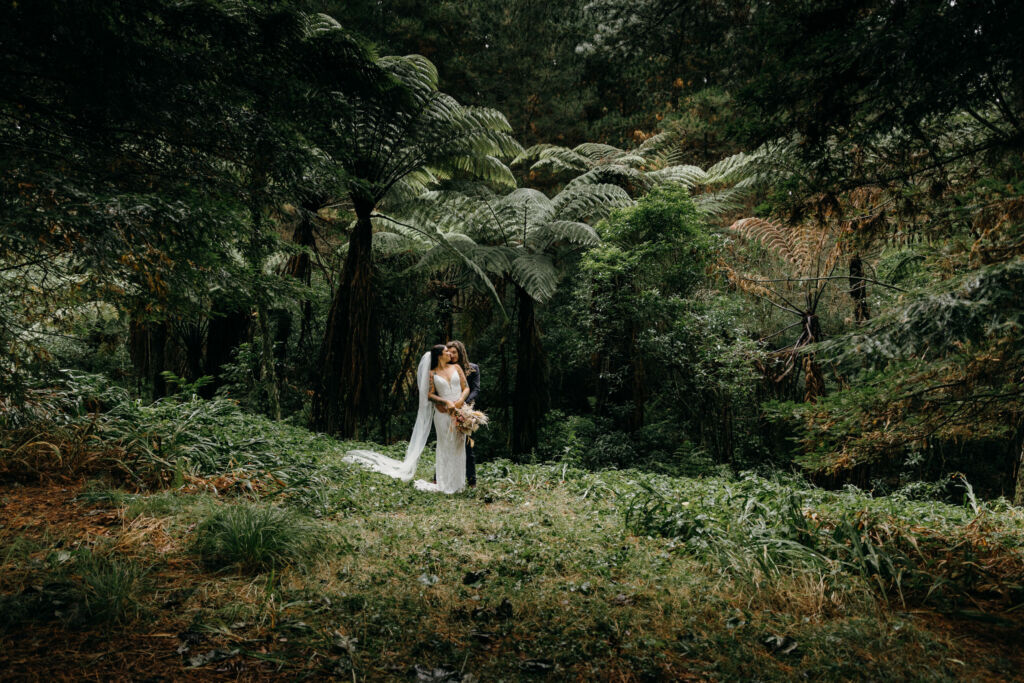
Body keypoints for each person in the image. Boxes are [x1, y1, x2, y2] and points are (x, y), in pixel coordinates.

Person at [344, 344, 469, 494]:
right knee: (445, 446)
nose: (450, 353)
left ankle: (459, 484)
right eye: (446, 351)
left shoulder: (456, 368)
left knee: (459, 446)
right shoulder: (432, 373)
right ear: (439, 355)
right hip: (443, 415)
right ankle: (446, 484)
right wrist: (445, 402)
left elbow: (466, 387)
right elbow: (429, 395)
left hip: (460, 412)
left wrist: (460, 400)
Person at [446, 340, 479, 486]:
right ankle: (440, 476)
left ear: (461, 352)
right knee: (447, 443)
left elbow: (476, 389)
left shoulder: (472, 369)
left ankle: (471, 480)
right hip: (448, 410)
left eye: (454, 352)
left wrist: (464, 404)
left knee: (467, 444)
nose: (451, 355)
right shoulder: (444, 368)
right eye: (449, 352)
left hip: (465, 411)